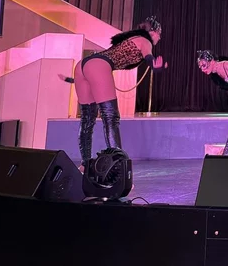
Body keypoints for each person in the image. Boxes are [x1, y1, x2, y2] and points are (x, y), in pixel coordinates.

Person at [64, 16, 167, 172]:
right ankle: (119, 168)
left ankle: (85, 165)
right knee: (110, 118)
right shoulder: (145, 41)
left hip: (82, 66)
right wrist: (155, 65)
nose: (160, 38)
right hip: (99, 66)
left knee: (87, 120)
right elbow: (148, 58)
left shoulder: (130, 39)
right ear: (153, 32)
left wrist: (74, 79)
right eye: (159, 34)